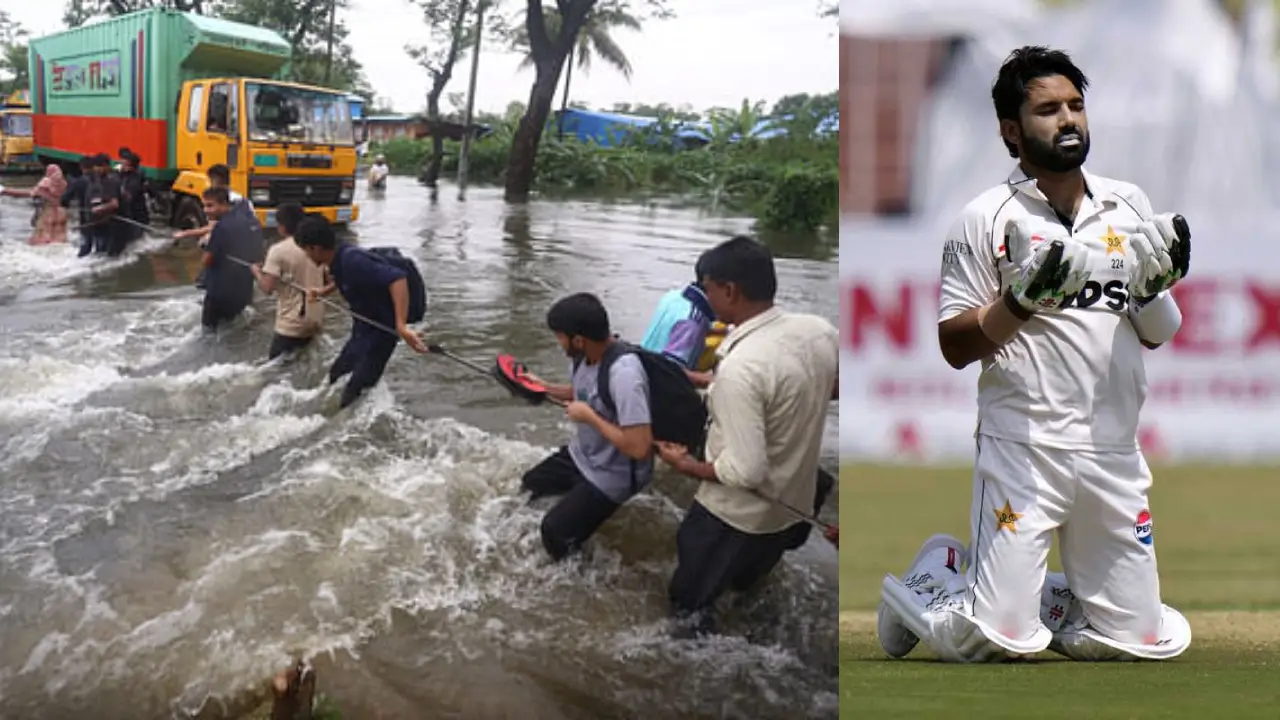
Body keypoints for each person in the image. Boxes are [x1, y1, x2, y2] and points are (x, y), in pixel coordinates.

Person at [876, 45, 1193, 665]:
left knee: (1140, 644)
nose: (1068, 119)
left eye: (1076, 105)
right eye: (1048, 110)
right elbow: (954, 346)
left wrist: (1155, 291)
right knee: (996, 644)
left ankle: (1053, 599)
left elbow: (1156, 333)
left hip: (1113, 451)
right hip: (1024, 447)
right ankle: (932, 580)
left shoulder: (1126, 206)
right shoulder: (985, 217)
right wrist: (1021, 301)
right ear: (1011, 131)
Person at [654, 236, 839, 637]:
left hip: (731, 518)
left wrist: (685, 464)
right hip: (791, 509)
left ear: (729, 290)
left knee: (688, 609)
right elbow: (833, 386)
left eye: (707, 288)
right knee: (745, 589)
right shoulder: (819, 331)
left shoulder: (743, 367)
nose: (706, 297)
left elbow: (747, 472)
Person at [519, 293, 655, 561]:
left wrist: (590, 417)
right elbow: (582, 391)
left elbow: (640, 447)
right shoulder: (585, 356)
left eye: (560, 336)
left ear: (578, 339)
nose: (558, 342)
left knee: (554, 531)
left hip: (614, 474)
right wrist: (542, 386)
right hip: (584, 455)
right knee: (530, 486)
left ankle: (578, 576)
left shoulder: (625, 375)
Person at [294, 216, 428, 407]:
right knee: (336, 374)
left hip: (382, 329)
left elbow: (398, 279)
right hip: (364, 326)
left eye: (306, 251)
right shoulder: (338, 258)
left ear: (315, 248)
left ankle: (357, 425)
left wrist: (401, 325)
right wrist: (323, 291)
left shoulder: (352, 260)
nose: (307, 256)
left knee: (355, 391)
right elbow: (349, 278)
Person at [250, 203, 327, 359]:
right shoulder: (317, 245)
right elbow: (326, 278)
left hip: (291, 324)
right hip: (316, 318)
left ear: (282, 227)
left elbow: (267, 288)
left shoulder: (278, 250)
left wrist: (256, 272)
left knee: (271, 372)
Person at [639, 260, 719, 387]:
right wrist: (708, 379)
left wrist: (724, 331)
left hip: (641, 367)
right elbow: (670, 370)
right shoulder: (692, 322)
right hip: (657, 384)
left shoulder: (674, 296)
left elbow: (675, 328)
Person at [199, 186, 263, 332]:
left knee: (208, 334)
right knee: (235, 330)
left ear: (224, 204)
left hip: (219, 292)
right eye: (204, 206)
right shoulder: (253, 222)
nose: (205, 210)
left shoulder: (221, 227)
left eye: (210, 205)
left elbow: (207, 261)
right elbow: (258, 256)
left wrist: (205, 247)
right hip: (244, 291)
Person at [0, 164, 68, 245]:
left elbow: (28, 193)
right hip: (59, 213)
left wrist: (4, 191)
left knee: (43, 235)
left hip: (47, 213)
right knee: (58, 235)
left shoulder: (45, 184)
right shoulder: (62, 185)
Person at [83, 153, 122, 256]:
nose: (97, 169)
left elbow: (114, 204)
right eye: (96, 166)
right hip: (93, 222)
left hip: (107, 223)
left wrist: (99, 208)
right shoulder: (93, 180)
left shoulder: (112, 181)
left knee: (103, 252)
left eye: (100, 166)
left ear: (106, 166)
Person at [60, 156, 97, 257]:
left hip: (86, 218)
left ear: (81, 167)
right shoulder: (102, 179)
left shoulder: (79, 182)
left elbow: (65, 199)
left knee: (86, 245)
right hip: (102, 218)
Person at [116, 148, 150, 250]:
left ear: (131, 166)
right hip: (129, 214)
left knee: (134, 242)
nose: (121, 164)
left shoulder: (135, 180)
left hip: (136, 215)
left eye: (124, 163)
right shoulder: (123, 175)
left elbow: (129, 197)